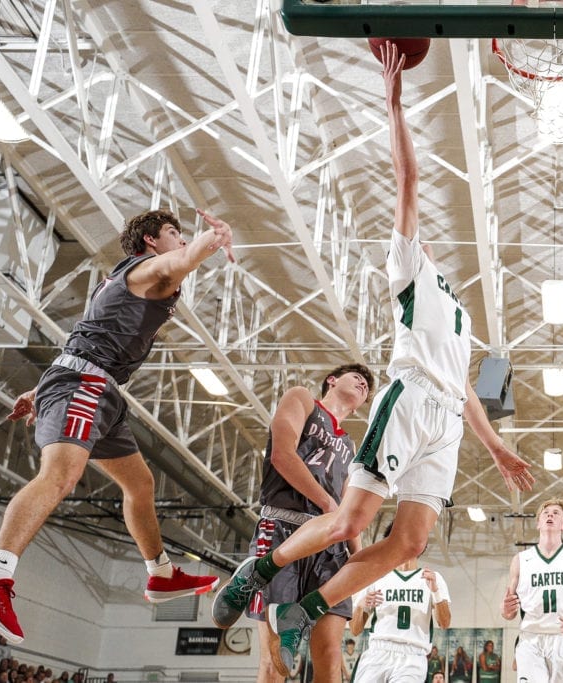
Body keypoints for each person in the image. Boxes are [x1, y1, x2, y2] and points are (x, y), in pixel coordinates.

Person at [210, 40, 534, 676]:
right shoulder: (408, 266)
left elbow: (467, 387)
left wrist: (492, 444)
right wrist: (394, 103)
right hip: (409, 400)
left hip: (445, 420)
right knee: (348, 521)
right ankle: (261, 569)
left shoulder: (460, 312)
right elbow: (407, 180)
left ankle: (301, 611)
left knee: (411, 540)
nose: (427, 238)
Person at [0, 208, 235, 643]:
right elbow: (180, 262)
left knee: (139, 485)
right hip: (85, 383)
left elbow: (90, 334)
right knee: (60, 478)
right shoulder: (147, 270)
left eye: (182, 234)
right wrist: (212, 238)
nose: (180, 240)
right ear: (150, 242)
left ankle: (160, 574)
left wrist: (42, 386)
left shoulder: (137, 284)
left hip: (96, 386)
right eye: (172, 233)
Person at [244, 363, 374, 683]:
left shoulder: (350, 446)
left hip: (329, 549)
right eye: (355, 377)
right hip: (283, 531)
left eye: (367, 386)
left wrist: (359, 563)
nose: (362, 382)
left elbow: (348, 507)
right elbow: (282, 456)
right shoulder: (302, 399)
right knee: (276, 661)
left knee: (329, 659)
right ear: (331, 380)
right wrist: (329, 505)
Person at [500, 499, 563, 683]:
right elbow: (508, 612)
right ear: (538, 523)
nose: (550, 514)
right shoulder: (521, 560)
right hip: (530, 638)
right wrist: (506, 610)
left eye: (556, 512)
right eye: (545, 513)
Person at [348, 523, 451, 683]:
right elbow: (355, 630)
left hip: (413, 655)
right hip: (378, 652)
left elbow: (444, 623)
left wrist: (436, 592)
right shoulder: (377, 576)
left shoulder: (432, 578)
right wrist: (361, 605)